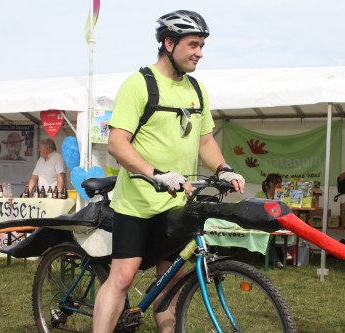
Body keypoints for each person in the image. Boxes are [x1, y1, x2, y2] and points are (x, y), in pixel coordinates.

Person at [93, 10, 245, 333]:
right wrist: (155, 173)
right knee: (122, 277)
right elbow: (117, 144)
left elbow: (205, 141)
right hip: (137, 204)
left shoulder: (197, 90)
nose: (199, 53)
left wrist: (224, 168)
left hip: (176, 205)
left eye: (202, 45)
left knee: (172, 280)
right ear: (168, 42)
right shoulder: (139, 85)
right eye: (193, 44)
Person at [255, 173, 291, 268]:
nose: (280, 186)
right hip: (263, 222)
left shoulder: (280, 195)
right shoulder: (259, 195)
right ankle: (277, 259)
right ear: (271, 184)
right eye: (278, 183)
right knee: (269, 234)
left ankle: (282, 254)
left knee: (283, 228)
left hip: (276, 221)